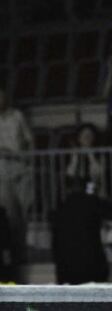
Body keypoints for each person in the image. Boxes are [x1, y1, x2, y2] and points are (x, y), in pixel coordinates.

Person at [0, 87, 34, 281]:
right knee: (9, 216)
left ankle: (22, 253)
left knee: (23, 214)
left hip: (21, 169)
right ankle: (13, 255)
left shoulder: (17, 116)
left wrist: (30, 160)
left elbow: (29, 140)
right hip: (2, 171)